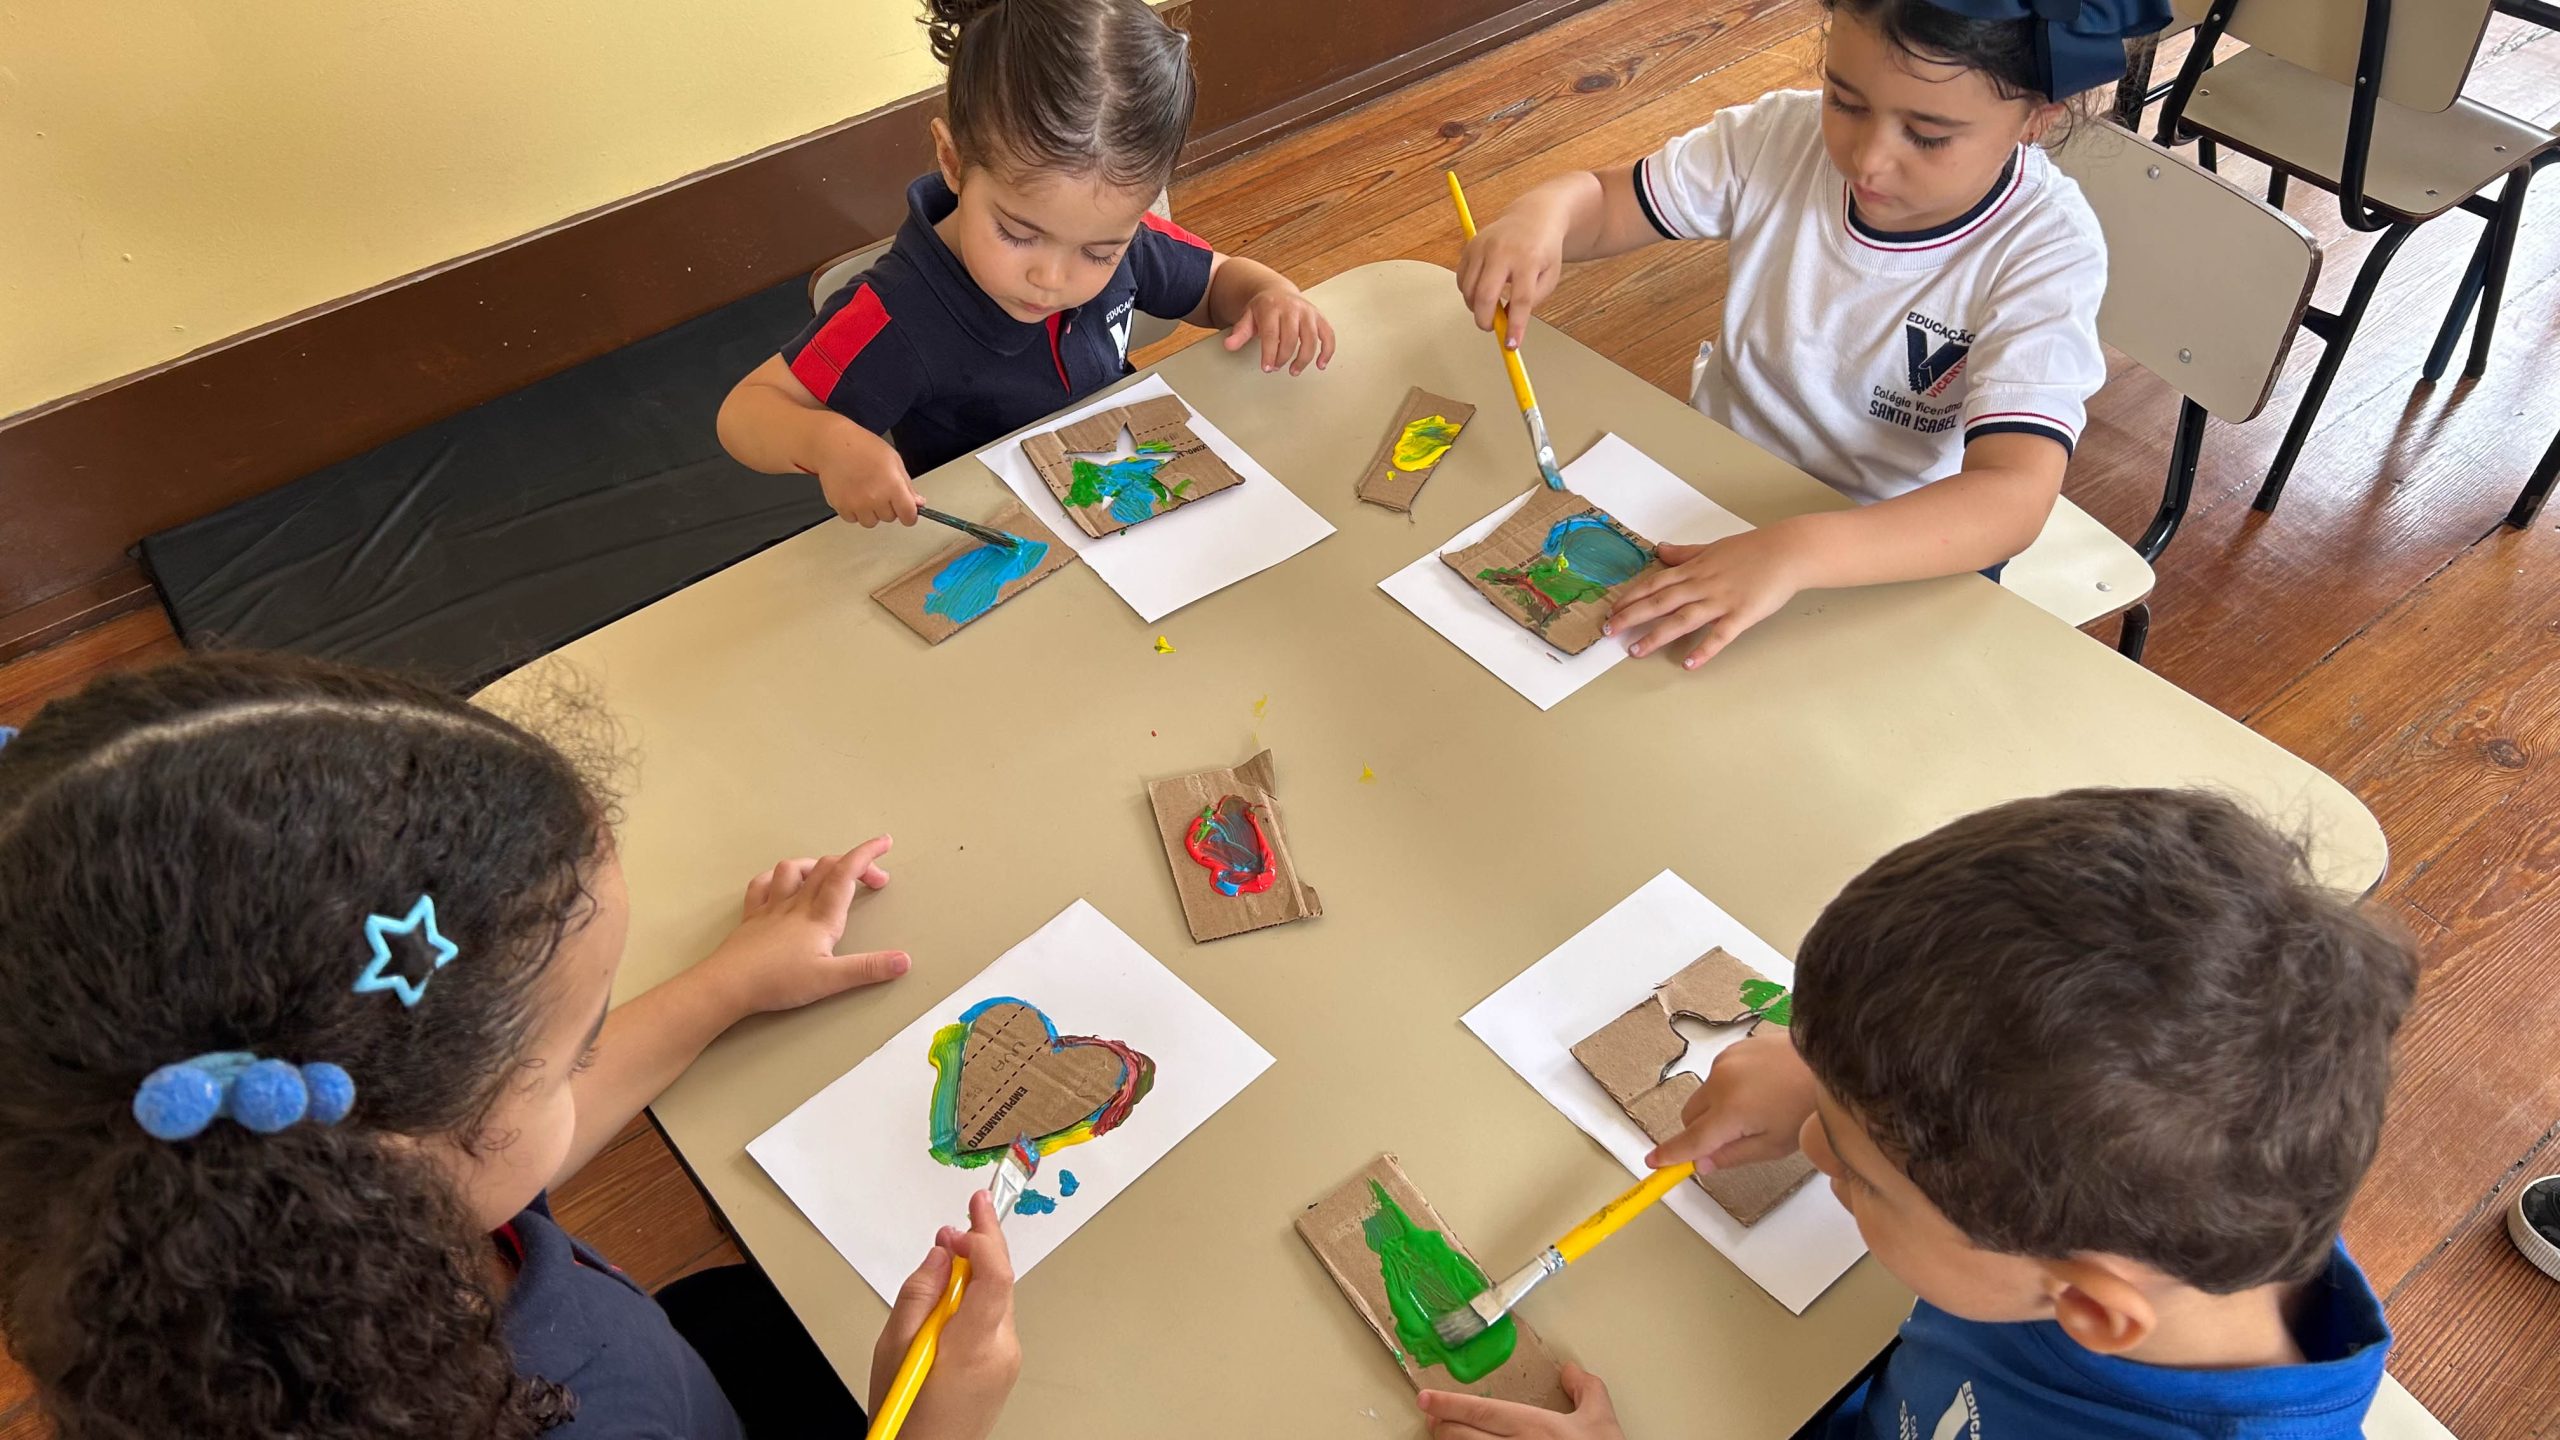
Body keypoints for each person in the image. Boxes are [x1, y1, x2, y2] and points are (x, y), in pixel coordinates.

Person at [0, 653, 1019, 1440]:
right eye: (574, 1055)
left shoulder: (181, 1226)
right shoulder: (576, 1417)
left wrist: (731, 984)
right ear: (394, 1155)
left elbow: (492, 1151)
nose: (585, 1067)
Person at [1418, 789, 2416, 1439]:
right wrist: (1839, 1090)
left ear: (2087, 1312)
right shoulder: (2172, 1196)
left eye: (1855, 1176)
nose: (1814, 1146)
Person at [1456, 0, 2170, 668]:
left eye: (1927, 135)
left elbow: (2011, 498)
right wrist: (1545, 213)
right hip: (1711, 485)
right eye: (1845, 102)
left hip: (1885, 551)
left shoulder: (2045, 251)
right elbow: (1612, 203)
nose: (1868, 159)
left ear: (2035, 120)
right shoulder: (1777, 138)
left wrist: (1795, 551)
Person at [718, 0, 1335, 528]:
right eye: (1018, 234)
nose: (1053, 279)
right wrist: (826, 441)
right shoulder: (895, 314)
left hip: (1120, 495)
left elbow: (1216, 281)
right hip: (996, 533)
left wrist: (1268, 294)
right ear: (953, 161)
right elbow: (747, 412)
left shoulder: (1126, 236)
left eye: (1099, 252)